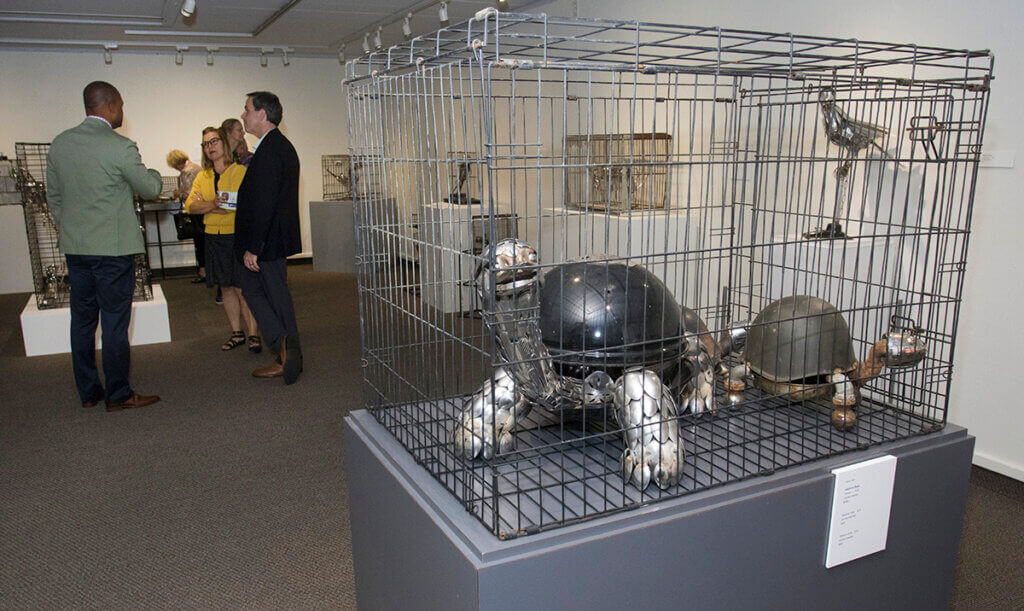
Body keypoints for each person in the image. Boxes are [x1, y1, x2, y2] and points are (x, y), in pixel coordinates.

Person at [45, 81, 162, 411]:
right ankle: (119, 394)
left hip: (76, 248)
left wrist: (70, 227)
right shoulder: (120, 147)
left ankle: (89, 391)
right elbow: (151, 187)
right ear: (109, 106)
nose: (123, 112)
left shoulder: (60, 144)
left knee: (82, 322)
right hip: (112, 251)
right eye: (121, 105)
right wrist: (150, 169)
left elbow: (54, 197)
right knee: (114, 323)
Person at [234, 91, 303, 384]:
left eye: (247, 109)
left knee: (274, 298)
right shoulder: (273, 147)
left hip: (267, 242)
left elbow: (265, 203)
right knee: (257, 291)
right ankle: (285, 350)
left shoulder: (272, 150)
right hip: (270, 239)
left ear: (262, 114)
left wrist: (254, 247)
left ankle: (287, 353)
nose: (243, 114)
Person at [185, 126, 261, 353]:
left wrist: (210, 205)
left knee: (242, 288)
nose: (211, 147)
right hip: (213, 237)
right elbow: (191, 205)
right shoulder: (202, 176)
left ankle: (254, 334)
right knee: (226, 287)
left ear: (224, 144)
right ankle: (237, 333)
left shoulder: (239, 172)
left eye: (214, 141)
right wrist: (212, 205)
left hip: (236, 237)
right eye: (206, 144)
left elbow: (242, 206)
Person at [165, 149, 207, 283]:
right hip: (204, 210)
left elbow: (189, 194)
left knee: (200, 243)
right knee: (204, 242)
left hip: (197, 211)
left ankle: (204, 272)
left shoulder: (187, 172)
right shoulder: (196, 168)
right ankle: (206, 272)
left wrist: (178, 193)